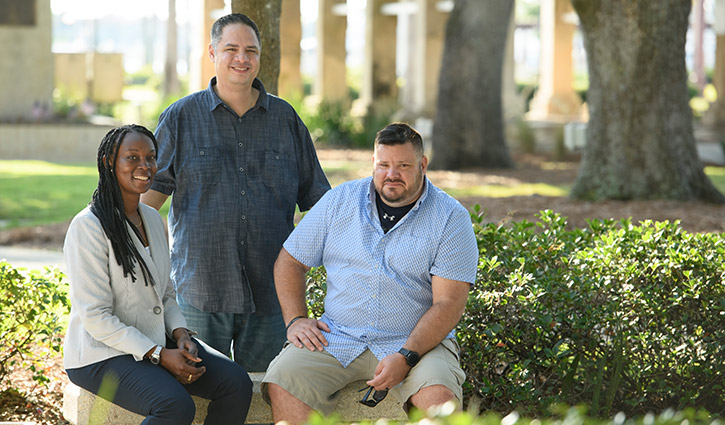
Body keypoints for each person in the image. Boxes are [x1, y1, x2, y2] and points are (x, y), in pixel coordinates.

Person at [140, 13, 330, 372]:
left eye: (250, 50)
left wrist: (303, 264)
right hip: (200, 290)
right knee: (202, 393)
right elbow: (149, 201)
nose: (241, 58)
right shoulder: (180, 117)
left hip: (272, 294)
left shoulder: (286, 120)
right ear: (212, 53)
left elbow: (319, 203)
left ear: (260, 57)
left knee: (268, 393)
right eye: (231, 49)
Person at [262, 122, 479, 423]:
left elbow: (449, 303)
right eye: (384, 165)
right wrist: (297, 320)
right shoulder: (340, 201)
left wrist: (407, 356)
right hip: (338, 336)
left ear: (423, 165)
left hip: (419, 343)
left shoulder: (451, 218)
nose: (392, 175)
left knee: (438, 401)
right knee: (283, 380)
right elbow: (290, 261)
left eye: (403, 165)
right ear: (374, 164)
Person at [63, 124, 253, 425]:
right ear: (109, 162)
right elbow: (95, 315)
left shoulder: (151, 217)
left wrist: (180, 334)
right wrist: (159, 355)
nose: (144, 166)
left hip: (156, 340)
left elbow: (165, 292)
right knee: (174, 405)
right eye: (132, 157)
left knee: (236, 383)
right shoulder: (88, 227)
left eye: (151, 158)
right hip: (101, 354)